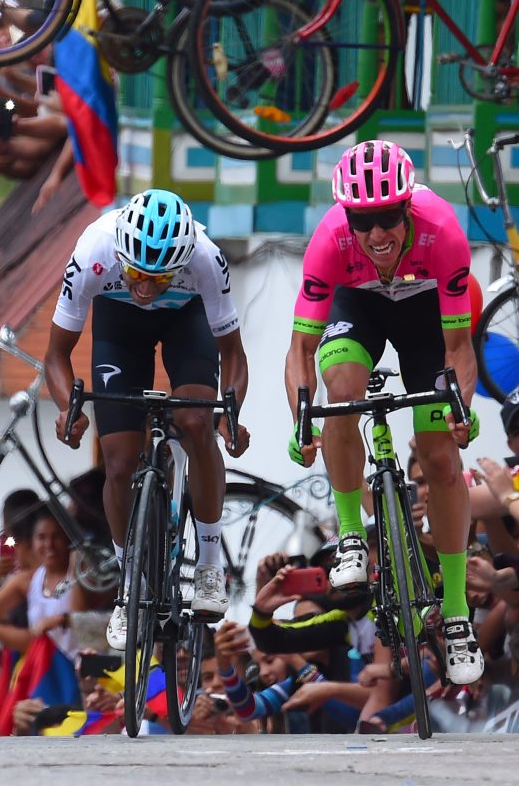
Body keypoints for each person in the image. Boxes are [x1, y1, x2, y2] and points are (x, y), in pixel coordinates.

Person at [284, 139, 483, 686]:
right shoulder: (330, 240)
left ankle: (458, 609)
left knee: (440, 458)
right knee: (342, 391)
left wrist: (460, 407)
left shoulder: (442, 232)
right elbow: (300, 351)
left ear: (407, 208)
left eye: (388, 219)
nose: (376, 235)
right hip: (359, 307)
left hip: (426, 315)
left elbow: (459, 348)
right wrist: (302, 419)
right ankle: (352, 533)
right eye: (363, 221)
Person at [45, 188, 250, 651]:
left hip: (186, 320)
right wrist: (68, 408)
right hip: (119, 329)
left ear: (183, 261)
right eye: (136, 272)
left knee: (196, 423)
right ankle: (128, 587)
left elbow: (233, 356)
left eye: (159, 277)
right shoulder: (94, 249)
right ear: (121, 255)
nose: (145, 286)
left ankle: (210, 565)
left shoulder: (206, 258)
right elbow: (57, 355)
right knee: (118, 463)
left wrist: (231, 413)